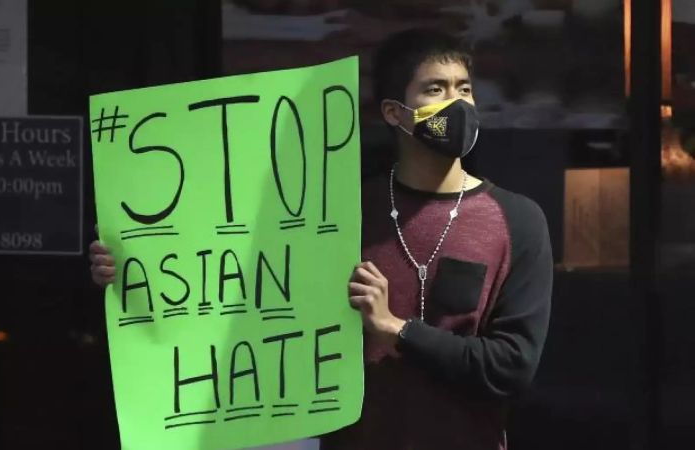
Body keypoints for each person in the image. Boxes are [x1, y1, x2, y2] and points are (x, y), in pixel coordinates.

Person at [90, 28, 552, 450]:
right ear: (394, 112)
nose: (457, 105)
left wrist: (397, 329)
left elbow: (511, 366)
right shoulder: (334, 212)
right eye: (436, 89)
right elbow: (230, 293)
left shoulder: (517, 220)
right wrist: (137, 266)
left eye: (464, 89)